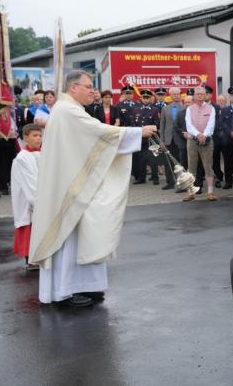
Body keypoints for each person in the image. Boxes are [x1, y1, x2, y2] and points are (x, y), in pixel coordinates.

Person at [29, 70, 157, 307]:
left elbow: (94, 137)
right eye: (88, 86)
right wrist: (139, 132)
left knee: (84, 234)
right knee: (70, 238)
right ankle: (65, 292)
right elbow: (100, 134)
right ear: (73, 87)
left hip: (72, 182)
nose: (92, 91)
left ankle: (89, 286)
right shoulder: (68, 110)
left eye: (93, 86)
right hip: (69, 187)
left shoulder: (69, 109)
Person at [10, 123, 42, 270]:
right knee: (30, 226)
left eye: (40, 135)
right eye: (35, 135)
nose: (38, 138)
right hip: (29, 198)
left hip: (41, 195)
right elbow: (30, 183)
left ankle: (40, 255)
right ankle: (30, 258)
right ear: (25, 138)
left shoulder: (43, 153)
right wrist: (38, 201)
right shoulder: (22, 158)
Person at [184, 86, 218, 202]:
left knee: (208, 166)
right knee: (191, 167)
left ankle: (210, 192)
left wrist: (204, 135)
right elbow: (189, 125)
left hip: (207, 141)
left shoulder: (211, 109)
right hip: (193, 141)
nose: (200, 96)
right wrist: (198, 134)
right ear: (194, 95)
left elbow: (211, 124)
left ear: (205, 95)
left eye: (202, 94)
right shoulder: (189, 109)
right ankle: (190, 192)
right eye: (198, 94)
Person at [132, 89, 161, 185]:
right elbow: (133, 124)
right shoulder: (136, 109)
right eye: (144, 98)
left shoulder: (155, 110)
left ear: (150, 98)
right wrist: (140, 130)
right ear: (141, 98)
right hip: (139, 137)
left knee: (153, 158)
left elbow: (157, 125)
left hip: (151, 138)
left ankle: (155, 177)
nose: (145, 100)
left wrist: (145, 129)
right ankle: (141, 178)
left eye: (147, 98)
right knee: (140, 159)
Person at [159, 87, 184, 190]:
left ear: (180, 95)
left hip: (181, 139)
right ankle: (170, 182)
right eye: (174, 94)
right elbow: (162, 125)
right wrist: (162, 139)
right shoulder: (165, 108)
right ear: (170, 95)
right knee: (168, 161)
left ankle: (181, 182)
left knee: (181, 161)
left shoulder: (185, 107)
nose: (176, 96)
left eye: (178, 94)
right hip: (168, 139)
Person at [218, 86, 233, 190]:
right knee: (228, 161)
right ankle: (228, 181)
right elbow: (222, 123)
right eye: (232, 95)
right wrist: (230, 132)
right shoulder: (225, 110)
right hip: (228, 139)